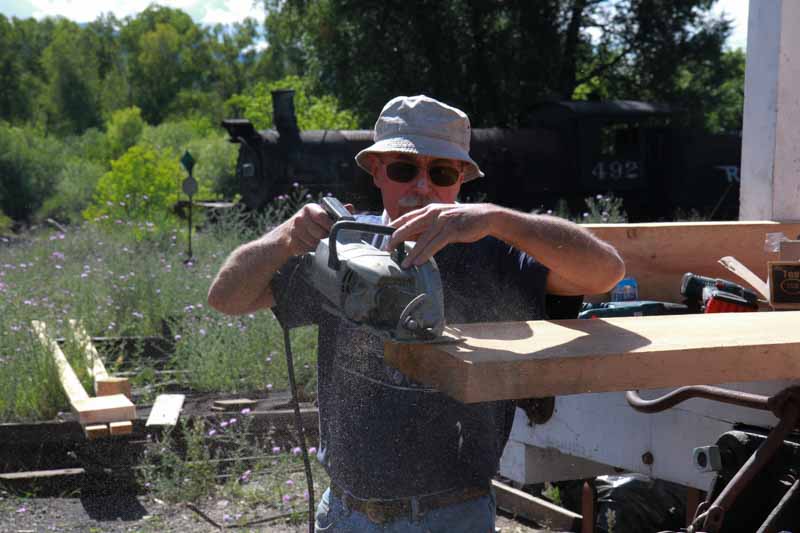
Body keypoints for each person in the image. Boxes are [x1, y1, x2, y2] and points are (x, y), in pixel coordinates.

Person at [208, 95, 625, 531]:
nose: (422, 187)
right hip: (348, 513)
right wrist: (286, 237)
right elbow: (226, 297)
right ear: (376, 171)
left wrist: (499, 220)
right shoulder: (344, 250)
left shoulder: (494, 252)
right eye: (404, 169)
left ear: (461, 177)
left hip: (451, 514)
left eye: (441, 172)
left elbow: (606, 273)